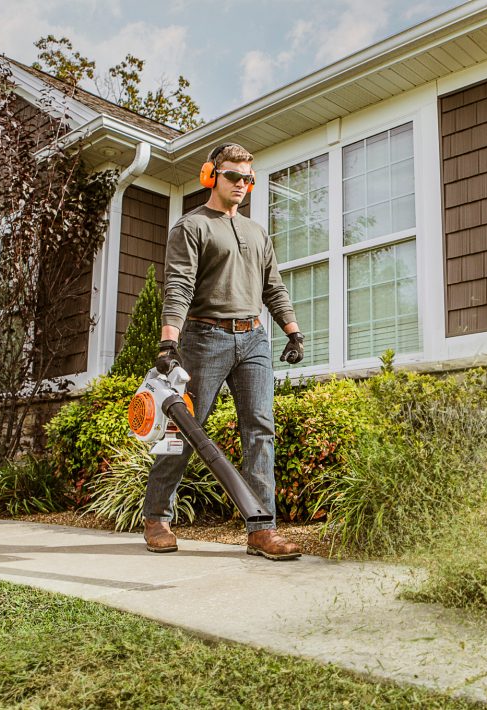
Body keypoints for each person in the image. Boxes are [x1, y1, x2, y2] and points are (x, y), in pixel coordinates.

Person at [143, 143, 306, 561]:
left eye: (248, 179)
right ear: (210, 175)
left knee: (260, 430)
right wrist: (168, 341)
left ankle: (261, 530)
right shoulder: (191, 226)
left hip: (253, 338)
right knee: (184, 429)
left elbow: (273, 286)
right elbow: (178, 284)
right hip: (205, 338)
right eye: (234, 176)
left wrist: (292, 331)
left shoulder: (256, 232)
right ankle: (157, 516)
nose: (242, 185)